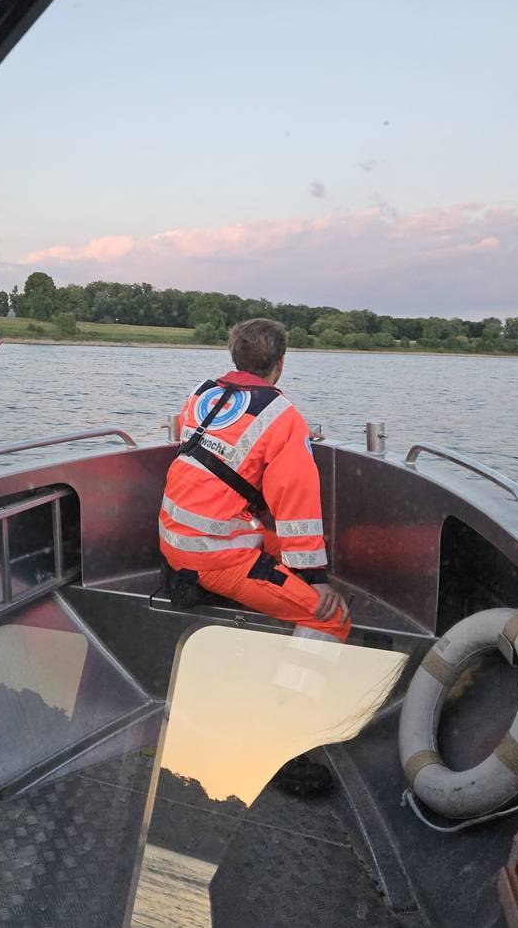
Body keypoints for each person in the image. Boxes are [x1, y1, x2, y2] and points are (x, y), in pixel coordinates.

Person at [159, 317, 349, 792]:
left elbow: (224, 463)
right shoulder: (283, 417)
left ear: (235, 359)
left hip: (174, 538)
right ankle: (278, 744)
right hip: (216, 554)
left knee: (282, 545)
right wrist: (318, 580)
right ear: (280, 364)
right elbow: (296, 500)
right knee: (330, 618)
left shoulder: (202, 394)